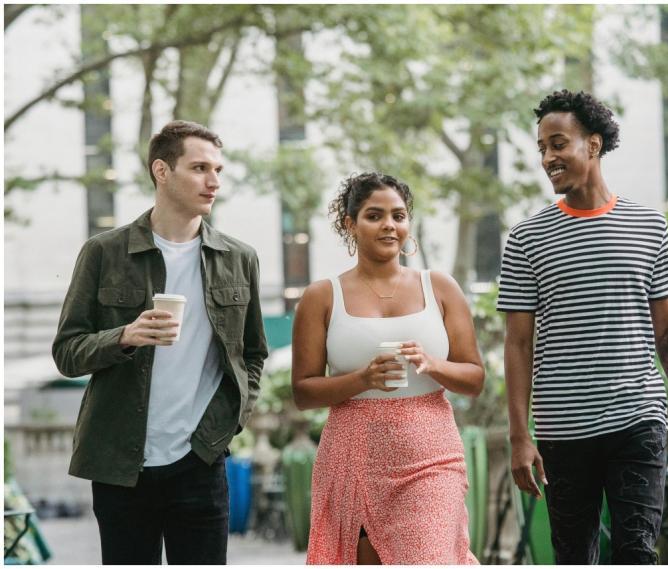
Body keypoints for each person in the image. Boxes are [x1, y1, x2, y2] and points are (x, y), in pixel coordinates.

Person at [497, 90, 668, 564]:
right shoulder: (526, 239)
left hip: (637, 419)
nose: (548, 158)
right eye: (542, 147)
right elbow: (518, 344)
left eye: (558, 144)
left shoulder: (649, 227)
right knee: (574, 557)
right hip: (563, 429)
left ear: (594, 144)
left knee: (636, 552)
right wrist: (520, 436)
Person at [52, 120, 268, 564]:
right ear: (161, 171)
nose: (214, 181)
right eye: (200, 167)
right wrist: (125, 336)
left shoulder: (239, 259)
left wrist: (229, 425)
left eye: (218, 170)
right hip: (120, 463)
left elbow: (252, 355)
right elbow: (67, 352)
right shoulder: (104, 252)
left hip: (201, 461)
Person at [292, 172, 484, 564]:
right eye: (374, 216)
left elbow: (474, 378)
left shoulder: (441, 287)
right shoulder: (321, 296)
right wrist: (361, 380)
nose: (389, 226)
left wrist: (434, 365)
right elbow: (303, 392)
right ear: (351, 224)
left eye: (398, 216)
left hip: (431, 456)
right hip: (352, 458)